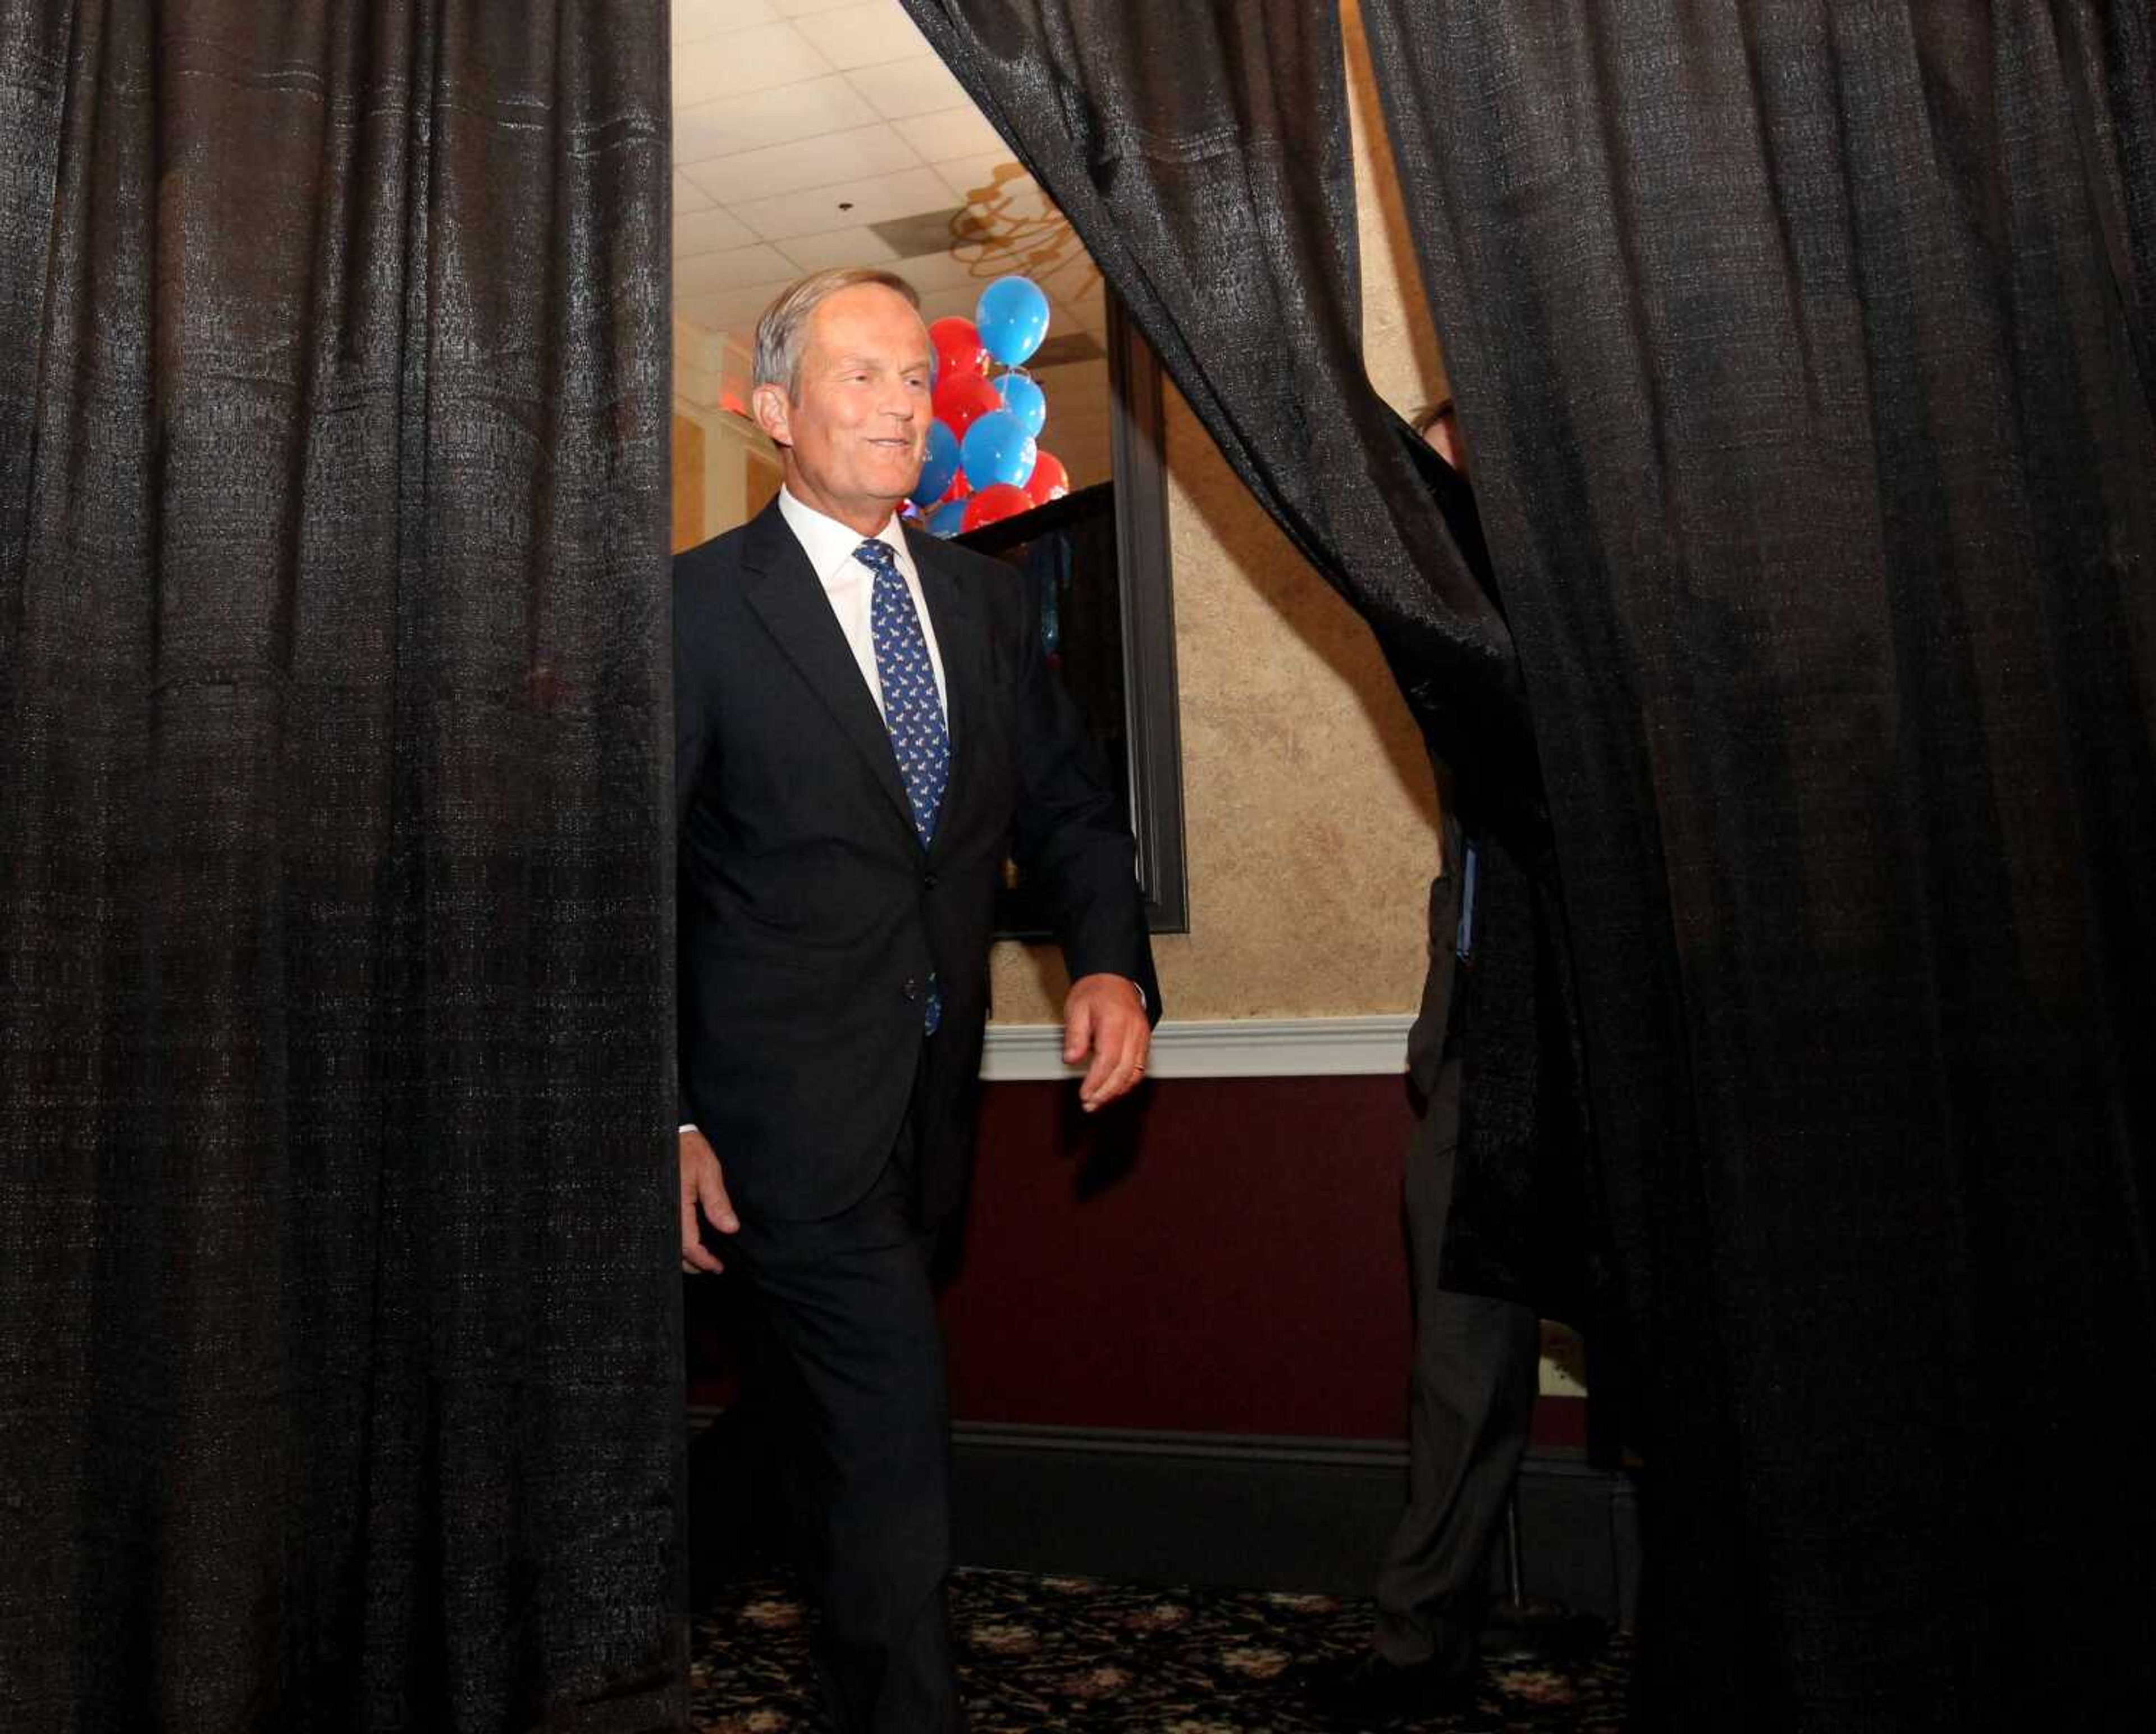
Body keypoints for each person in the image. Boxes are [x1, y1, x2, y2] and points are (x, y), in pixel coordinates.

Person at [674, 267, 1160, 1734]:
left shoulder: (988, 604)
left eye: (912, 379)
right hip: (769, 1125)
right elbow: (616, 886)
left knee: (806, 1446)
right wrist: (669, 1118)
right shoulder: (691, 613)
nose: (901, 407)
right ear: (775, 414)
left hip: (927, 1127)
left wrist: (1112, 957)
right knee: (891, 1461)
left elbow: (1071, 810)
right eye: (860, 378)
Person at [1313, 398, 1545, 1720]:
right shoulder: (1449, 642)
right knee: (1460, 1353)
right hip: (1475, 1043)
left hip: (1603, 1036)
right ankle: (1423, 1643)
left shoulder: (1581, 624)